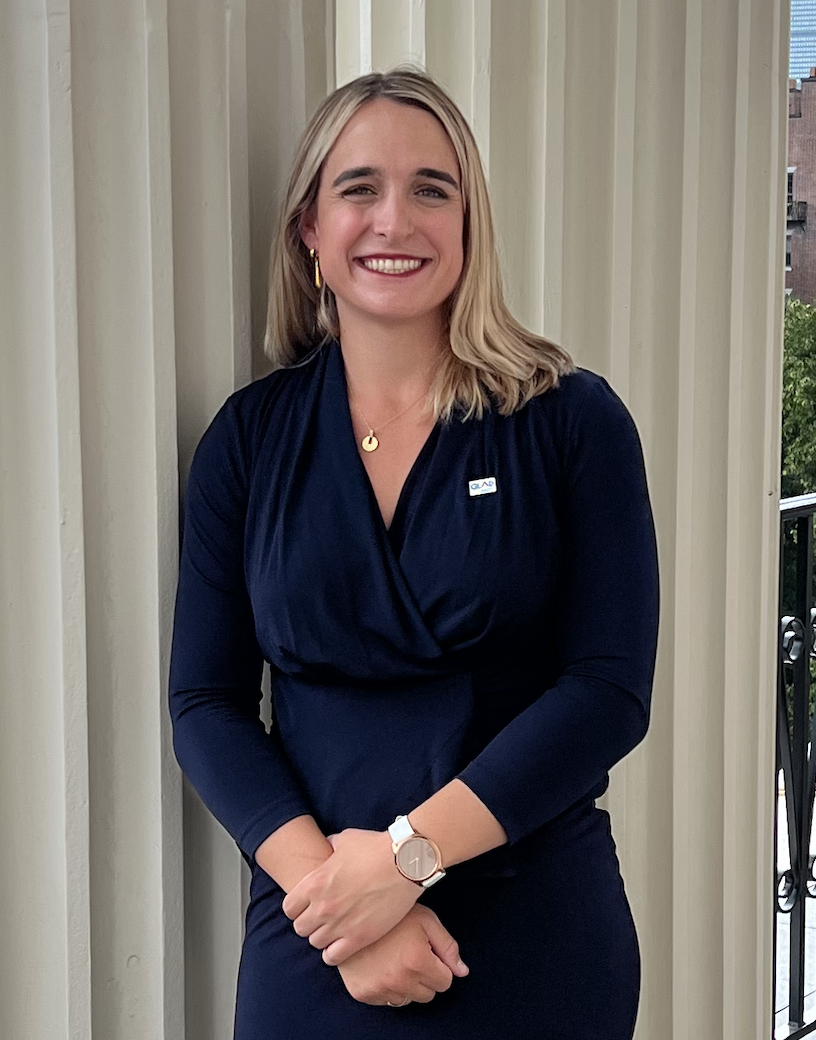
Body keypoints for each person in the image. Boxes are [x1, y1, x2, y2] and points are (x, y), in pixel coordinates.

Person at [168, 67, 659, 1040]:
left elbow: (608, 689)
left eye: (432, 188)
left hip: (531, 928)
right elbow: (205, 701)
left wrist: (404, 862)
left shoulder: (571, 420)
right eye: (359, 188)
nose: (396, 219)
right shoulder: (247, 438)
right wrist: (341, 903)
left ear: (469, 223)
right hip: (318, 930)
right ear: (309, 226)